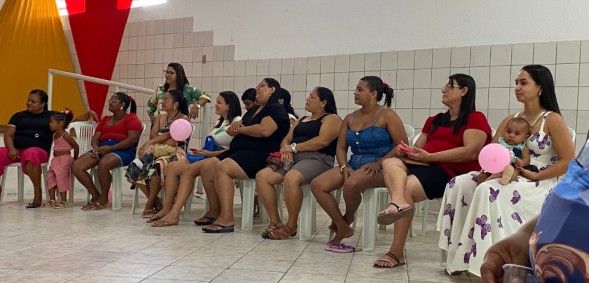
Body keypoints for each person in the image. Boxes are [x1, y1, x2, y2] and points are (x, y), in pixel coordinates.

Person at [436, 65, 575, 276]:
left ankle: (487, 261)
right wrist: (484, 173)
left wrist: (535, 175)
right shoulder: (511, 119)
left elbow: (568, 160)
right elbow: (492, 153)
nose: (517, 87)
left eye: (523, 83)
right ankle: (460, 256)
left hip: (540, 179)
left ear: (540, 87)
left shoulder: (552, 119)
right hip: (507, 172)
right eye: (516, 83)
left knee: (487, 191)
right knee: (459, 183)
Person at [373, 73, 492, 268]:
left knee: (408, 186)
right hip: (424, 164)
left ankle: (395, 252)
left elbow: (471, 152)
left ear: (464, 91)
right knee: (390, 163)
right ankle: (399, 203)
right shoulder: (435, 120)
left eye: (450, 86)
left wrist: (431, 157)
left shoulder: (475, 118)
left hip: (451, 171)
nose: (444, 89)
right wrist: (408, 152)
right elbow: (419, 146)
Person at [311, 76, 408, 245]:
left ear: (373, 94)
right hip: (354, 164)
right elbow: (341, 148)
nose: (355, 93)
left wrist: (378, 163)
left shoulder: (387, 115)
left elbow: (402, 145)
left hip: (382, 166)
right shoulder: (349, 118)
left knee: (352, 183)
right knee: (318, 184)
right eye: (356, 89)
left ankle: (348, 217)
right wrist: (343, 166)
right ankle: (343, 226)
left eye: (360, 90)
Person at [199, 78, 290, 233]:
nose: (257, 90)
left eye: (261, 86)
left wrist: (239, 129)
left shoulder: (275, 109)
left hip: (259, 154)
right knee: (207, 167)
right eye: (257, 86)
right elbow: (238, 127)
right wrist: (234, 128)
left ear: (272, 90)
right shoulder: (254, 110)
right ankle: (215, 211)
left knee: (224, 168)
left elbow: (264, 130)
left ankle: (227, 218)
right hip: (239, 151)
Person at [256, 87, 341, 240]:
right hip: (294, 158)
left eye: (312, 97)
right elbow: (287, 139)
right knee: (262, 177)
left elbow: (322, 141)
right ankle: (275, 221)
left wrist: (294, 148)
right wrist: (285, 150)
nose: (307, 99)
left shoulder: (331, 118)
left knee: (292, 178)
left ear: (323, 103)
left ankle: (291, 225)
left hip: (318, 159)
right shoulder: (302, 120)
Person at [149, 91, 242, 227]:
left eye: (219, 103)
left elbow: (235, 149)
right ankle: (167, 208)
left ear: (229, 106)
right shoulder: (219, 122)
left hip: (221, 157)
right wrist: (201, 152)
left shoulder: (237, 121)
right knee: (173, 167)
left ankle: (174, 214)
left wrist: (209, 154)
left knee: (188, 171)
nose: (215, 105)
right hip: (207, 154)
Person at [72, 92, 142, 211]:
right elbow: (96, 137)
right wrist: (94, 147)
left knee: (104, 163)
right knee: (77, 166)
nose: (109, 102)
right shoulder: (105, 119)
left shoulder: (131, 118)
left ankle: (103, 198)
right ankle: (95, 195)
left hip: (123, 150)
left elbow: (133, 139)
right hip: (102, 149)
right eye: (110, 100)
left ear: (122, 105)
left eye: (114, 101)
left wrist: (111, 149)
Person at [126, 89, 189, 218]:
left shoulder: (183, 118)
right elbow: (153, 134)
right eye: (162, 99)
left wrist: (151, 142)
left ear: (175, 104)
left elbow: (172, 137)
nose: (162, 102)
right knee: (134, 166)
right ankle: (155, 201)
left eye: (166, 99)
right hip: (157, 149)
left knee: (158, 166)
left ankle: (149, 205)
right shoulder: (160, 117)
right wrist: (157, 141)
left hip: (174, 152)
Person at [1, 89, 56, 208]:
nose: (29, 103)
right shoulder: (18, 116)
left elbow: (72, 120)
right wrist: (11, 149)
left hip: (39, 150)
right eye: (28, 100)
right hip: (17, 149)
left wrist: (88, 114)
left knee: (30, 153)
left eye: (33, 101)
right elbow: (8, 134)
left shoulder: (52, 116)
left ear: (42, 104)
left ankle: (37, 195)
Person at [475, 117, 535, 186]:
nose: (511, 135)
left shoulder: (522, 147)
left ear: (525, 137)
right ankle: (480, 185)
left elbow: (527, 159)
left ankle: (506, 178)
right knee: (482, 175)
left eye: (517, 133)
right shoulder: (500, 141)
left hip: (511, 165)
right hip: (497, 164)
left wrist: (521, 162)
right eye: (508, 132)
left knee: (515, 171)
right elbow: (491, 150)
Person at [43, 109, 79, 208]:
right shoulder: (54, 135)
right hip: (55, 160)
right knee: (50, 177)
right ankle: (52, 199)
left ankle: (63, 200)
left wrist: (75, 159)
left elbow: (76, 146)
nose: (49, 124)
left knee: (61, 178)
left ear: (60, 123)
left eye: (51, 122)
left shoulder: (66, 136)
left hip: (64, 160)